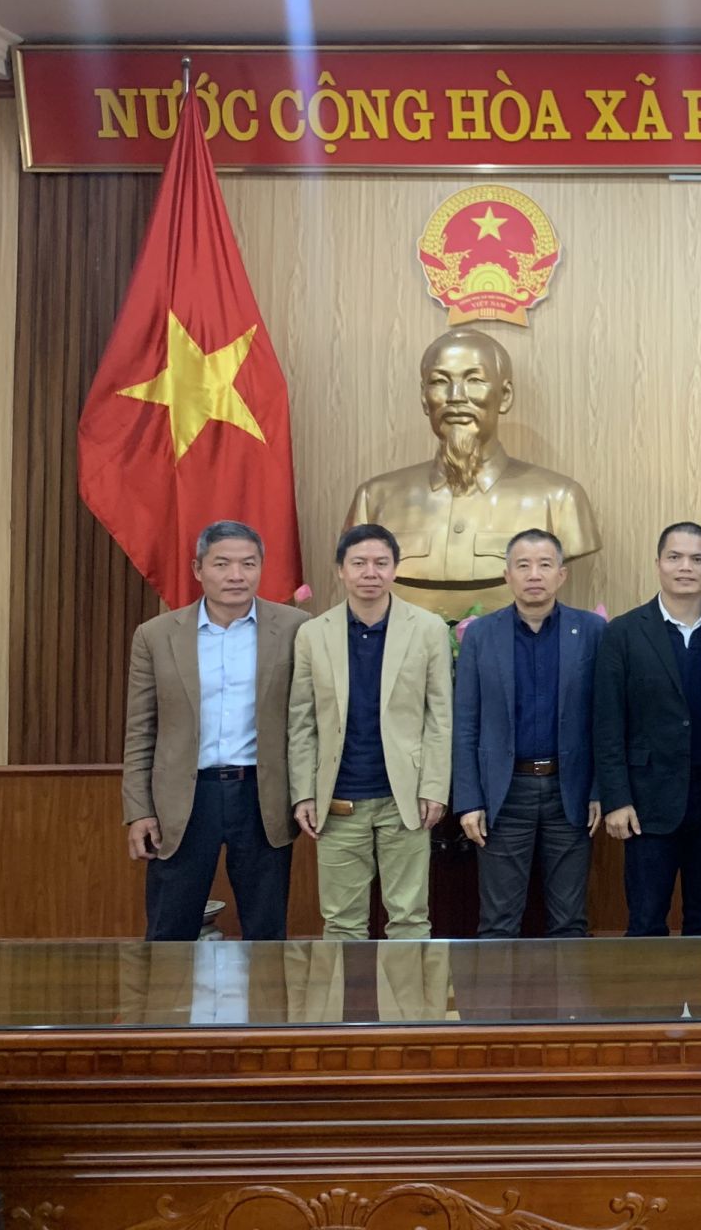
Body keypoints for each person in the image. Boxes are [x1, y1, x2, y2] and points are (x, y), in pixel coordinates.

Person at [122, 520, 306, 941]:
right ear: (197, 569)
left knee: (265, 931)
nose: (236, 575)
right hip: (185, 800)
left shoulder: (296, 628)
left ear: (261, 568)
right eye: (222, 564)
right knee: (170, 931)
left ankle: (266, 1008)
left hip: (261, 795)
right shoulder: (156, 636)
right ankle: (165, 1008)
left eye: (248, 563)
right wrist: (139, 810)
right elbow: (140, 731)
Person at [345, 328, 600, 617]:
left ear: (504, 396)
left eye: (474, 380)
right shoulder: (375, 498)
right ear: (423, 397)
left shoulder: (559, 499)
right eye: (440, 381)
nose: (456, 397)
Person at [288, 523, 453, 939]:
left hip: (405, 799)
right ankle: (345, 1008)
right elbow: (302, 721)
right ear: (341, 570)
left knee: (410, 920)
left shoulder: (429, 628)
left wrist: (434, 786)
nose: (370, 572)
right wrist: (304, 792)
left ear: (395, 569)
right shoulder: (312, 634)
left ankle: (412, 1007)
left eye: (381, 563)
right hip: (338, 800)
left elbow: (440, 717)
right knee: (342, 924)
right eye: (358, 563)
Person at [451, 529, 605, 937]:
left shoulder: (591, 631)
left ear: (562, 575)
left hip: (568, 792)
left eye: (544, 565)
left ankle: (569, 1005)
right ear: (507, 576)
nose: (534, 574)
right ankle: (500, 1004)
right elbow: (465, 722)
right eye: (523, 565)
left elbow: (604, 720)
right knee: (498, 923)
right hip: (505, 795)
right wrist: (468, 799)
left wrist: (597, 790)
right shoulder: (481, 636)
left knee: (570, 922)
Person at [595, 523, 701, 936]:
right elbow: (607, 723)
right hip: (646, 806)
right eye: (674, 557)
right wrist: (616, 799)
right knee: (646, 922)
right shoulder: (623, 631)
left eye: (697, 559)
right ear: (658, 564)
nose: (685, 567)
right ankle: (649, 1003)